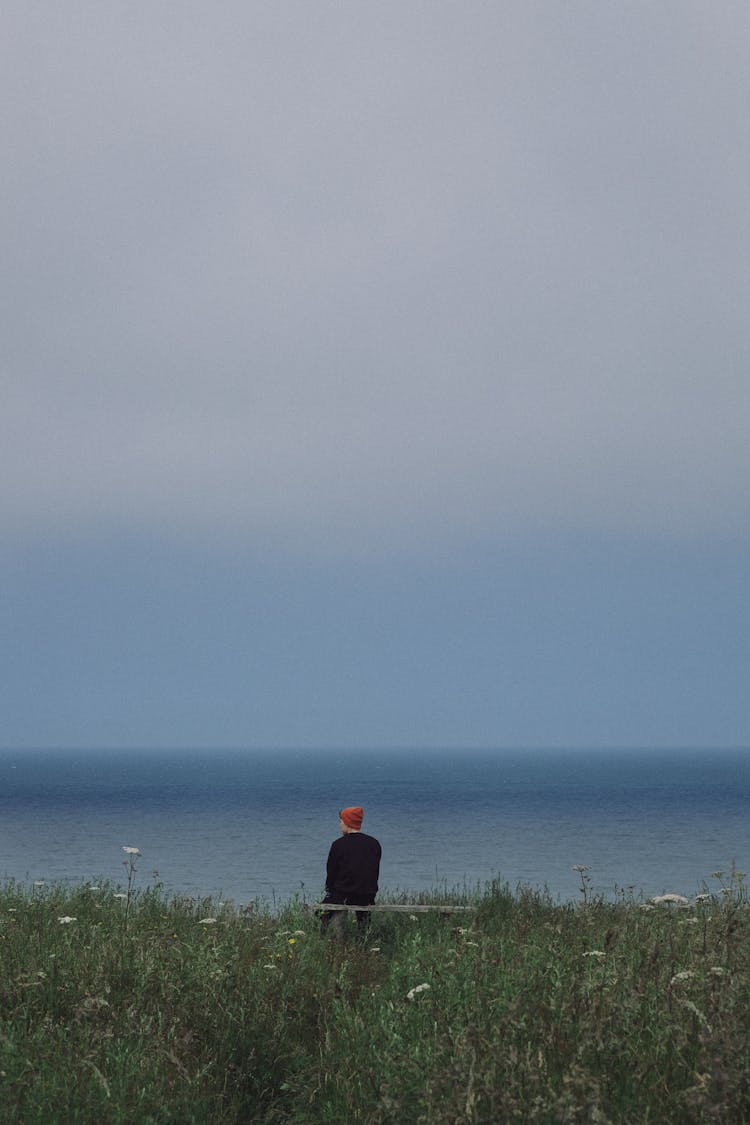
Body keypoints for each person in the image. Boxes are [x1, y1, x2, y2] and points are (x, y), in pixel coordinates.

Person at [321, 806, 381, 935]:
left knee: (320, 914)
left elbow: (331, 873)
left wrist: (329, 891)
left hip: (344, 895)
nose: (340, 824)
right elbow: (374, 871)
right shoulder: (374, 843)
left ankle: (325, 939)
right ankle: (364, 938)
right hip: (368, 895)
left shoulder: (338, 844)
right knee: (363, 917)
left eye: (341, 821)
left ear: (347, 822)